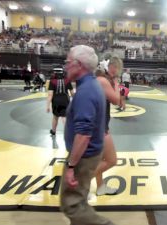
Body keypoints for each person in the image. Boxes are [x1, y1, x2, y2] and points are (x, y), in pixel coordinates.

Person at [60, 45, 115, 225]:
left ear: (78, 64)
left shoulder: (86, 91)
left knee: (73, 205)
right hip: (88, 154)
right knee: (80, 200)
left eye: (68, 62)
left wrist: (71, 165)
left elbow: (83, 135)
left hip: (83, 157)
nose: (65, 66)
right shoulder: (92, 84)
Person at [94, 56, 123, 196]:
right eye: (116, 69)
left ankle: (100, 187)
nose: (117, 72)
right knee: (112, 160)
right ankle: (81, 180)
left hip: (99, 124)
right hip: (98, 127)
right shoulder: (103, 80)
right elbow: (116, 100)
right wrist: (117, 83)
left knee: (100, 159)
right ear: (111, 66)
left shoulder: (101, 79)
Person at [47, 67, 73, 136]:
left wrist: (48, 106)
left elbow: (50, 94)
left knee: (55, 116)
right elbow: (72, 93)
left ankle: (53, 131)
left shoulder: (52, 81)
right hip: (65, 101)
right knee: (64, 117)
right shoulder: (67, 80)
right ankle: (67, 132)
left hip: (56, 102)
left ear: (54, 73)